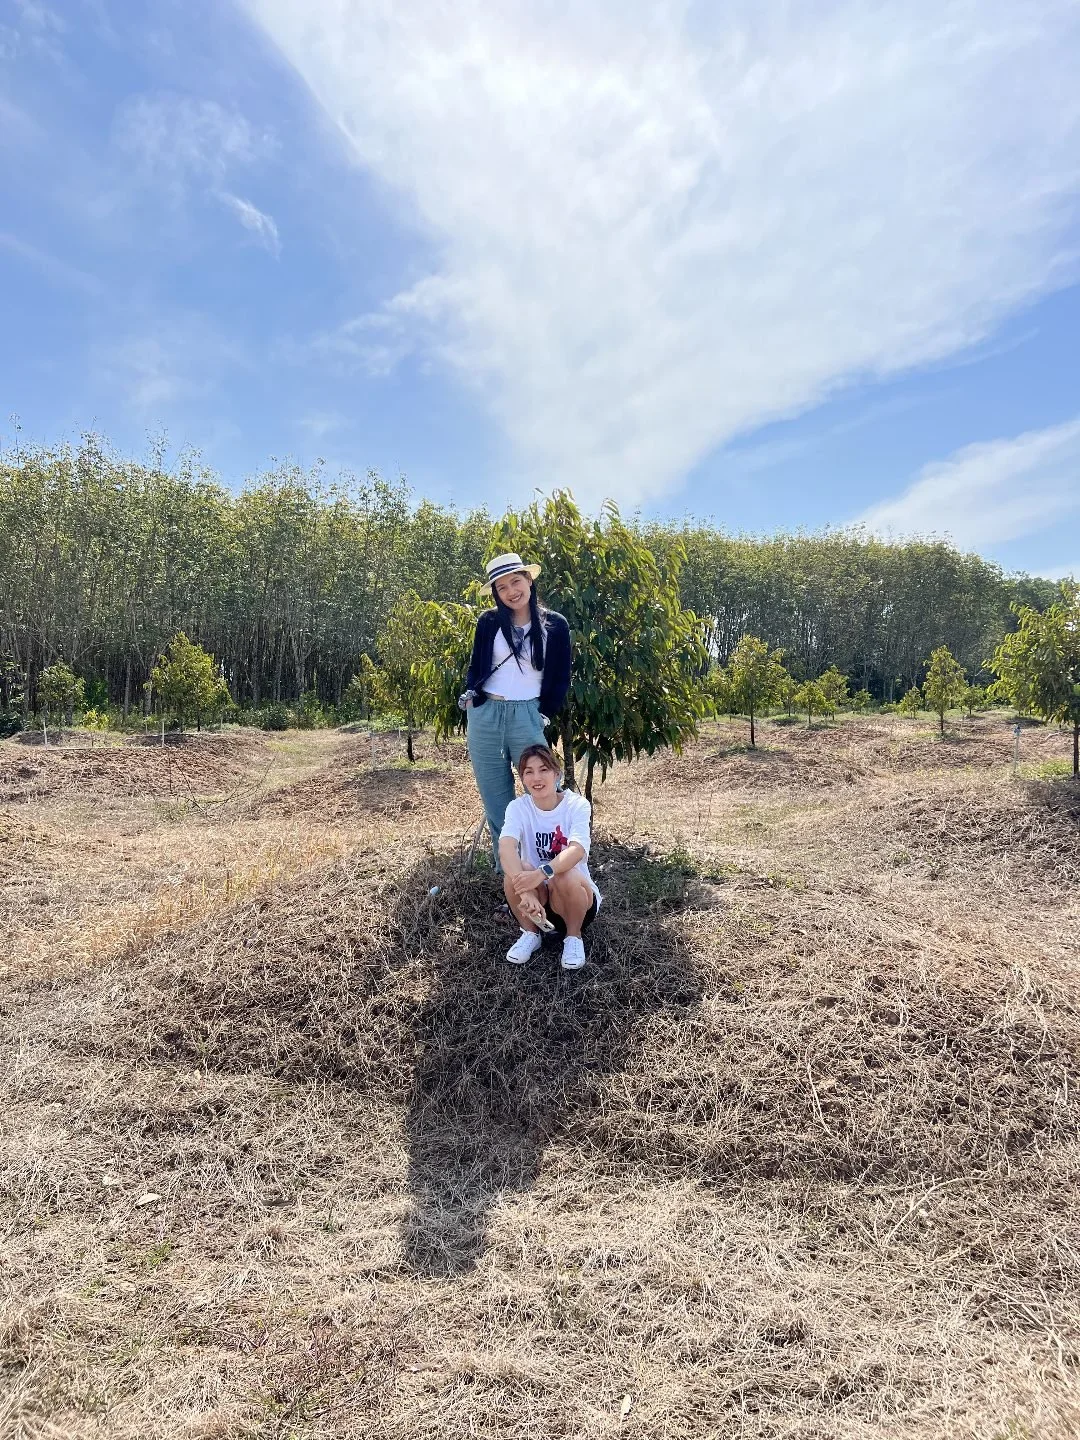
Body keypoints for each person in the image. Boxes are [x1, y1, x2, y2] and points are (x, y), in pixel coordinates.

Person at [460, 553, 572, 866]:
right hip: (486, 715)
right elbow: (476, 667)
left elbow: (561, 676)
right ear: (496, 593)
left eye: (516, 581)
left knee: (546, 793)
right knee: (496, 801)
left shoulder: (555, 624)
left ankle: (553, 870)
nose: (511, 591)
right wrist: (471, 697)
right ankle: (511, 876)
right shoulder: (488, 621)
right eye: (502, 587)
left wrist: (544, 713)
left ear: (529, 580)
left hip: (527, 714)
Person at [498, 743, 601, 971]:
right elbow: (506, 847)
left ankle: (573, 937)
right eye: (529, 772)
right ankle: (531, 933)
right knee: (515, 871)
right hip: (537, 903)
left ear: (557, 773)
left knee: (564, 874)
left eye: (543, 769)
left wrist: (541, 874)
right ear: (523, 779)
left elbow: (577, 850)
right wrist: (525, 891)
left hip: (576, 901)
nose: (537, 778)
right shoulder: (518, 807)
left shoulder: (576, 805)